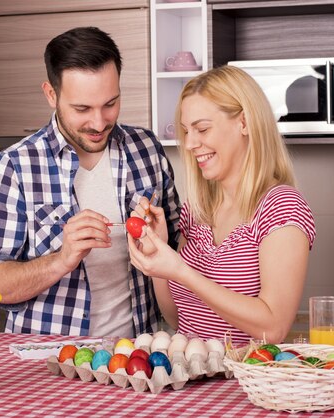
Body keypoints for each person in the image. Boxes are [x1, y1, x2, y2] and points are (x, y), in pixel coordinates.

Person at [0, 27, 181, 336]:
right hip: (47, 363)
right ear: (51, 94)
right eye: (82, 109)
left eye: (110, 104)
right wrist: (62, 259)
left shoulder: (146, 148)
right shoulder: (12, 168)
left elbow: (182, 249)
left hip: (139, 357)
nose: (99, 123)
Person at [127, 65, 315, 345]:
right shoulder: (197, 208)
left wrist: (180, 270)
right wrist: (159, 254)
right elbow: (181, 318)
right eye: (186, 131)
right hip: (189, 377)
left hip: (242, 382)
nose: (190, 144)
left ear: (244, 123)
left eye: (202, 128)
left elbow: (273, 327)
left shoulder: (282, 207)